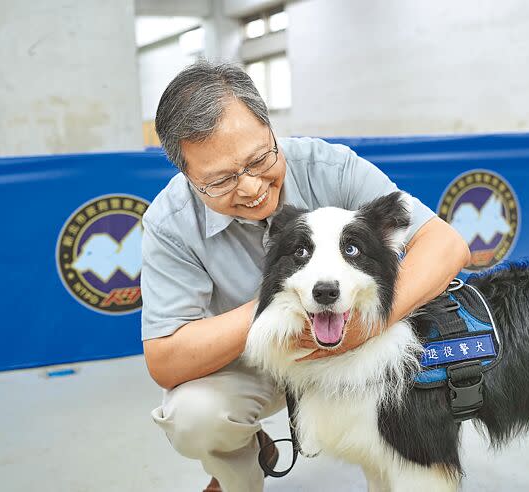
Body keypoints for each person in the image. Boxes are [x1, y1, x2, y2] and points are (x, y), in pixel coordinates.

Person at [141, 60, 470, 492]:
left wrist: (369, 326)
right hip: (252, 361)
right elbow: (165, 359)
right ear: (186, 175)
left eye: (260, 159)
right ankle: (241, 468)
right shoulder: (169, 223)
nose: (251, 187)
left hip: (352, 344)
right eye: (220, 181)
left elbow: (446, 245)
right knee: (194, 416)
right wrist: (277, 308)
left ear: (269, 127)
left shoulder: (328, 165)